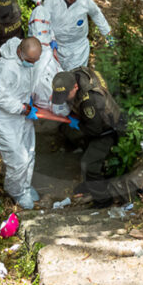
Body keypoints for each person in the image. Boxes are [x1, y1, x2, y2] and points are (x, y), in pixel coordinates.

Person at [51, 67, 123, 207]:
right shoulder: (73, 76)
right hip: (92, 121)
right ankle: (89, 184)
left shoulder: (89, 101)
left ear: (76, 87)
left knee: (88, 164)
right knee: (66, 131)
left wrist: (77, 126)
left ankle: (103, 200)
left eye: (66, 95)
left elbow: (94, 130)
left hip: (107, 130)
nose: (64, 98)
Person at [0, 37, 42, 209]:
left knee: (29, 152)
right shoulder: (5, 68)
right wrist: (22, 108)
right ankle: (15, 191)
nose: (33, 64)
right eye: (31, 61)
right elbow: (0, 98)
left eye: (36, 61)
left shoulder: (26, 58)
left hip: (21, 112)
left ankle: (24, 186)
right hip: (2, 117)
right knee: (18, 159)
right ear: (20, 53)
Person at [43, 0, 112, 71]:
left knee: (77, 76)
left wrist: (107, 34)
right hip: (56, 46)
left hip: (78, 48)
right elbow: (44, 22)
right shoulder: (51, 0)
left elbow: (96, 14)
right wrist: (50, 39)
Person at [27, 5, 65, 112]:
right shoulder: (31, 49)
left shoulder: (48, 50)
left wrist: (52, 41)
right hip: (38, 52)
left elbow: (48, 30)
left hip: (46, 52)